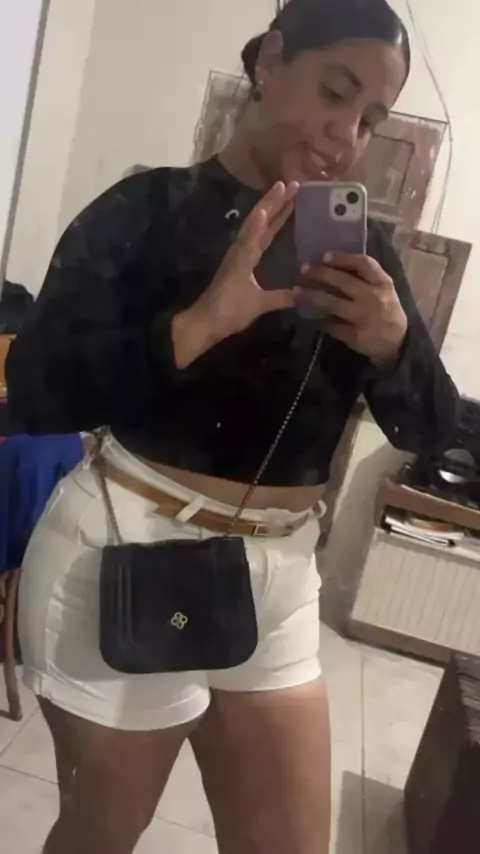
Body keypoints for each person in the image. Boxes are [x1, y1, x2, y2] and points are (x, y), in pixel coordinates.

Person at [6, 1, 458, 852]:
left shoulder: (360, 253)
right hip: (127, 548)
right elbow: (33, 392)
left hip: (280, 576)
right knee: (103, 833)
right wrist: (199, 324)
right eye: (335, 91)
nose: (347, 135)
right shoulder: (145, 209)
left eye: (371, 118)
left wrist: (395, 346)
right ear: (272, 61)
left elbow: (431, 430)